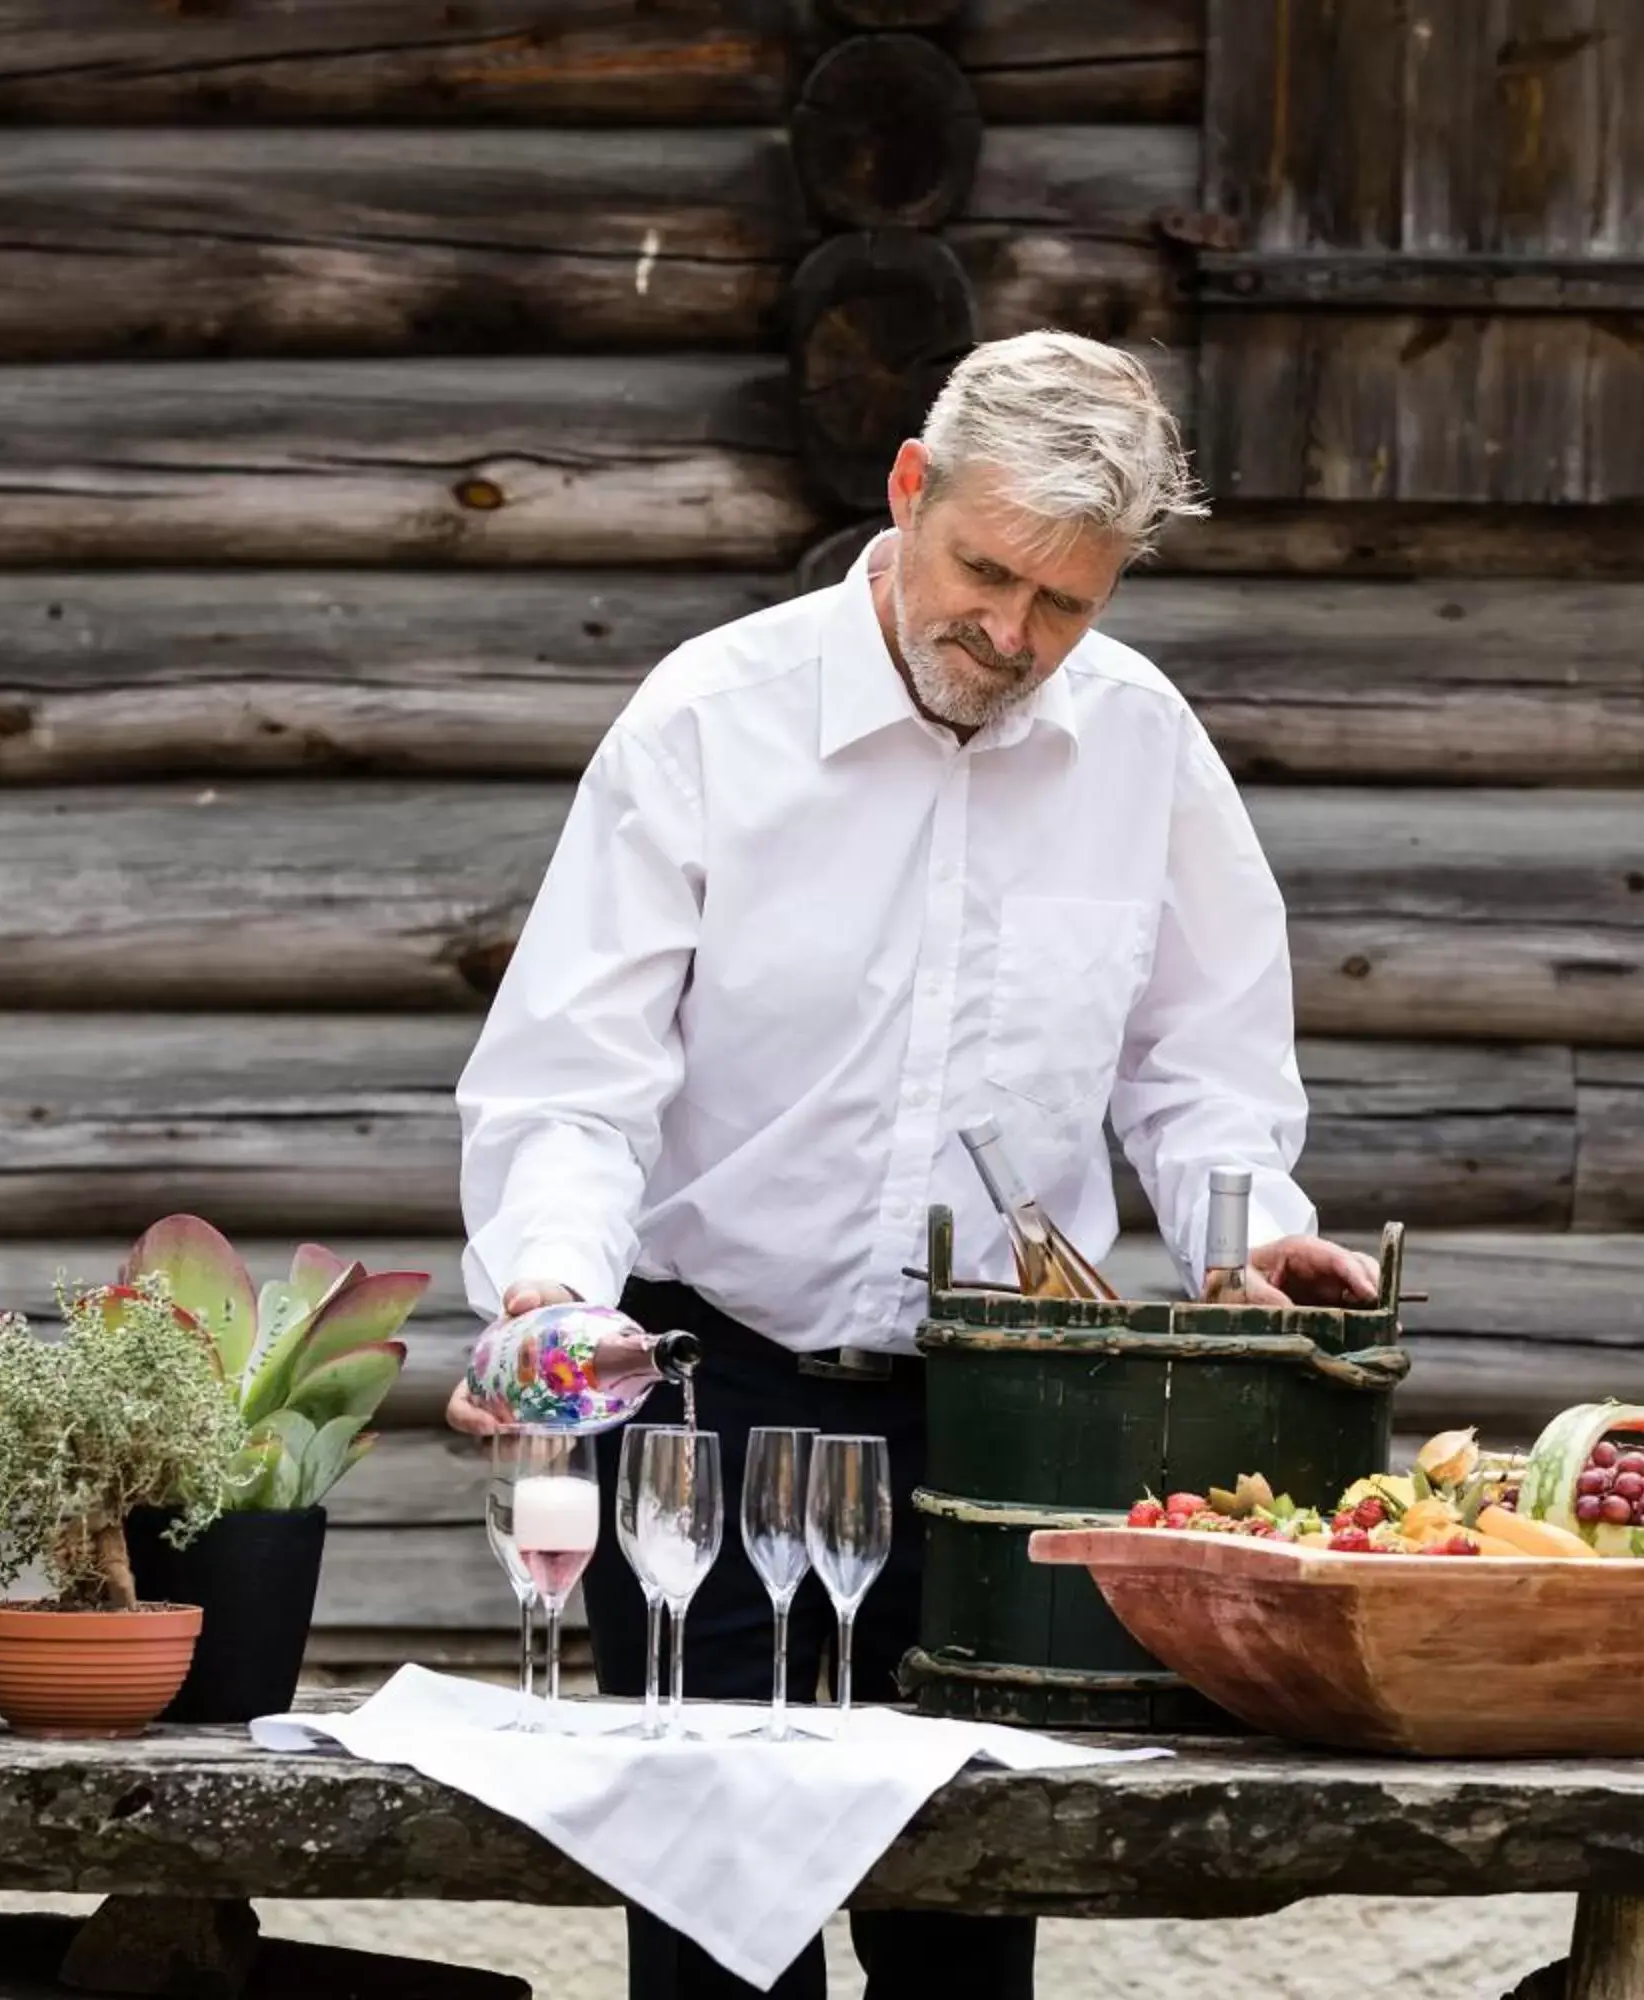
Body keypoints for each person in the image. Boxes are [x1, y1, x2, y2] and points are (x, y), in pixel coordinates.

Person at [450, 330, 1382, 2000]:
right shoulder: (707, 725)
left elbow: (1206, 1071)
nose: (1012, 637)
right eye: (986, 573)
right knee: (718, 1951)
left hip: (1004, 1427)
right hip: (704, 1412)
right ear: (907, 491)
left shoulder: (1145, 748)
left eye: (1068, 607)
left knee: (967, 1934)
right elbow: (571, 1089)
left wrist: (1247, 1246)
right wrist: (548, 1298)